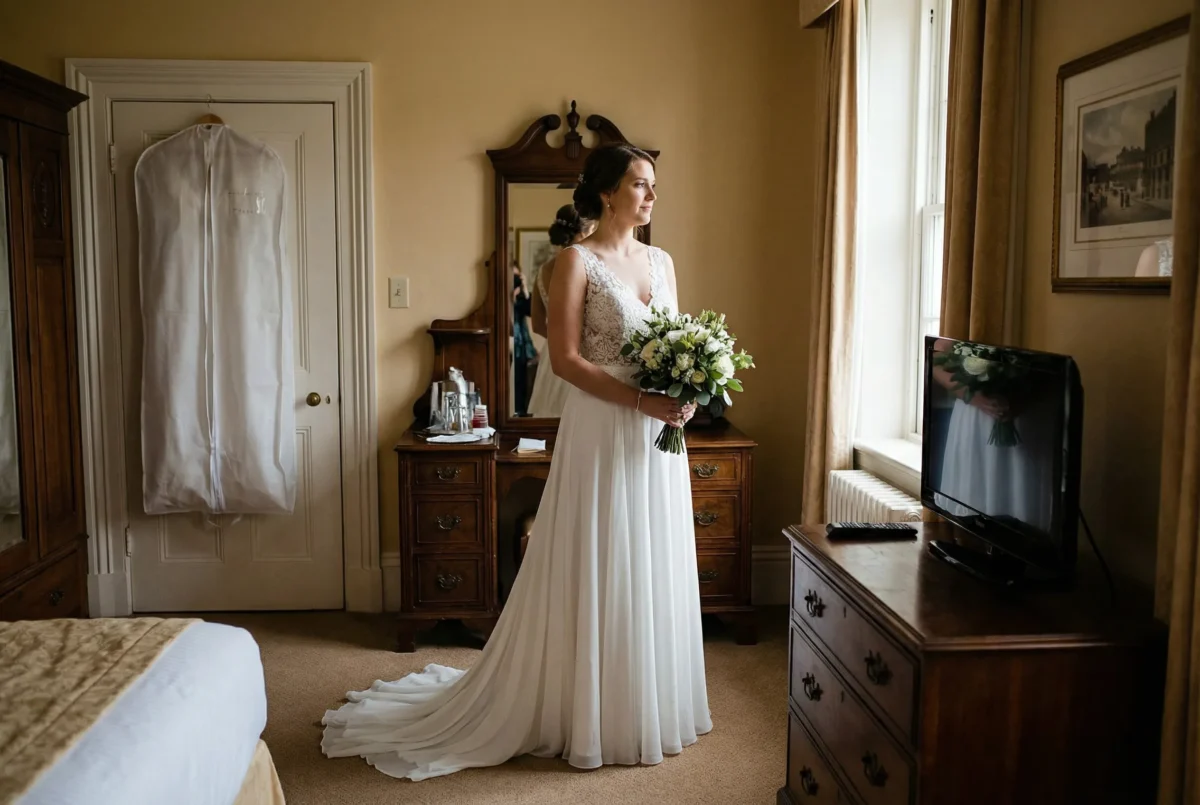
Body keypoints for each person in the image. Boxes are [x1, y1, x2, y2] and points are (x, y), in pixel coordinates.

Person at [320, 143, 707, 780]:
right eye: (640, 184)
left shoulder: (662, 261)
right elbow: (566, 363)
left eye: (654, 185)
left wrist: (683, 392)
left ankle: (644, 705)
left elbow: (677, 341)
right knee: (598, 552)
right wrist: (641, 398)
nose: (651, 196)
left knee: (650, 554)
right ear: (608, 192)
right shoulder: (573, 262)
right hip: (606, 424)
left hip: (657, 433)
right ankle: (580, 709)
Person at [526, 204, 596, 417]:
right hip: (585, 356)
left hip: (553, 355)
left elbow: (537, 324)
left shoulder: (545, 270)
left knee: (550, 420)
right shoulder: (589, 264)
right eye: (593, 230)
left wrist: (560, 337)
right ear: (585, 231)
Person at [511, 262, 536, 415]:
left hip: (522, 347)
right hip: (508, 346)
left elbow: (532, 312)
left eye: (516, 276)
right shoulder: (500, 297)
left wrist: (524, 290)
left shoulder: (521, 298)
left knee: (524, 386)